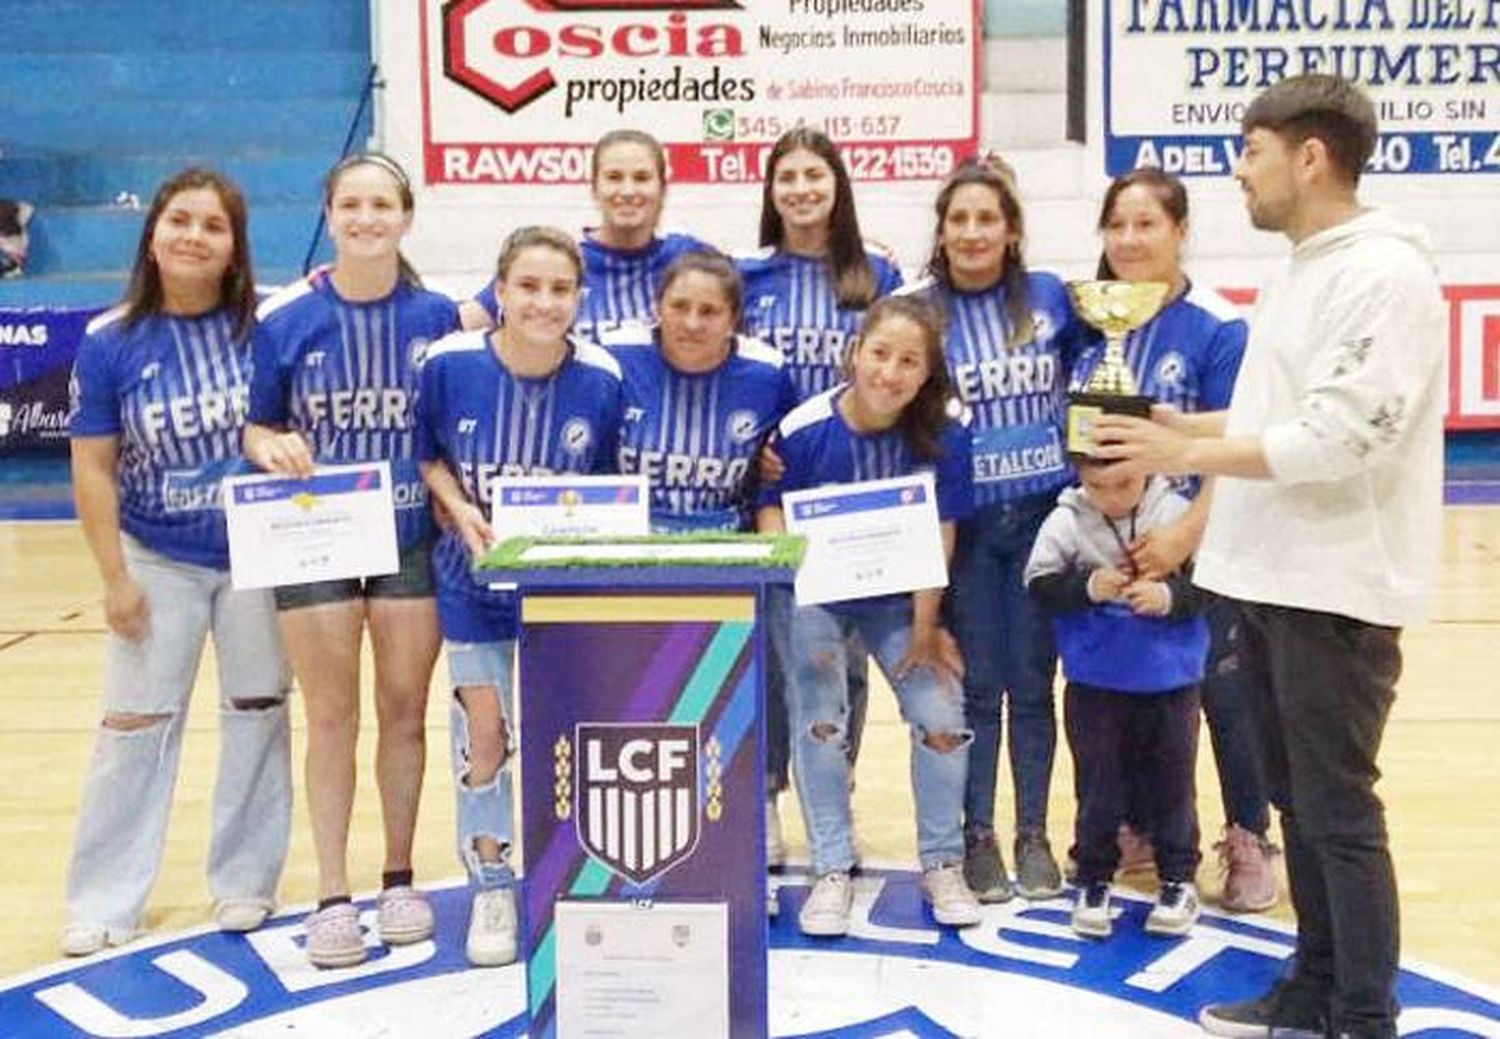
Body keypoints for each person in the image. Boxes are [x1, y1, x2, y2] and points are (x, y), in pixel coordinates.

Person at [1093, 74, 1446, 1039]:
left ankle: (1364, 1014)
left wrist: (1183, 454)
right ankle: (1312, 988)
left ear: (1310, 156)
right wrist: (1180, 422)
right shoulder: (1299, 268)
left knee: (1336, 811)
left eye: (1249, 153)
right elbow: (1270, 417)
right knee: (1296, 802)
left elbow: (1339, 438)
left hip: (1336, 583)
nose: (1238, 174)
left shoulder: (1385, 275)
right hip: (1269, 576)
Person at [63, 168, 291, 955]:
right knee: (133, 727)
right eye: (180, 219)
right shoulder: (109, 339)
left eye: (213, 225)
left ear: (235, 249)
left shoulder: (268, 328)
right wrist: (114, 578)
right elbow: (93, 465)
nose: (194, 235)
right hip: (155, 555)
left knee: (258, 713)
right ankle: (101, 900)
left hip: (258, 555)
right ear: (153, 234)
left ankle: (245, 882)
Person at [244, 153, 460, 969]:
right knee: (331, 716)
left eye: (382, 204)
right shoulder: (287, 315)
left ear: (406, 217)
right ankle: (333, 893)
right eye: (351, 204)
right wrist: (271, 445)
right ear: (329, 214)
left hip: (409, 538)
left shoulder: (438, 315)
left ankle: (398, 876)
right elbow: (254, 426)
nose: (367, 218)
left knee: (403, 712)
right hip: (318, 536)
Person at [416, 226, 624, 967]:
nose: (543, 301)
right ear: (498, 291)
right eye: (527, 286)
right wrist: (457, 503)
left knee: (566, 734)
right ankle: (492, 879)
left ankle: (572, 869)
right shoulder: (447, 364)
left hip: (562, 593)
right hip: (469, 581)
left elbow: (608, 488)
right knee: (485, 734)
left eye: (560, 289)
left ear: (578, 297)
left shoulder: (601, 379)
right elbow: (426, 452)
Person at [757, 294, 981, 937]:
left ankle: (942, 862)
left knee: (940, 712)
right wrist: (801, 573)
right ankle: (831, 866)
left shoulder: (944, 434)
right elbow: (770, 509)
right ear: (854, 353)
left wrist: (925, 627)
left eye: (909, 361)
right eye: (880, 353)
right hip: (816, 594)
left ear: (927, 371)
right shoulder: (802, 429)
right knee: (820, 719)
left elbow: (941, 532)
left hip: (902, 603)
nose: (890, 372)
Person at [1080, 167, 1273, 911]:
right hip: (1116, 543)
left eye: (1147, 224)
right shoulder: (1092, 320)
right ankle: (1143, 825)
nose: (1129, 240)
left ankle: (1250, 836)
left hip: (1205, 544)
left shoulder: (1220, 327)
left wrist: (1188, 530)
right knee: (1127, 689)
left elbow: (1242, 440)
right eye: (1117, 225)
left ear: (1181, 231)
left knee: (1225, 693)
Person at [905, 155, 1084, 903]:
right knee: (976, 689)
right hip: (968, 529)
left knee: (1034, 687)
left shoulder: (1052, 299)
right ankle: (977, 834)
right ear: (942, 234)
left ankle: (1034, 833)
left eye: (987, 219)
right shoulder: (918, 307)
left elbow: (1087, 378)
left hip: (1042, 520)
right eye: (959, 220)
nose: (972, 232)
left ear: (1011, 231)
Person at [737, 128, 903, 862]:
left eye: (815, 175)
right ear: (771, 193)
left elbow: (908, 370)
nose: (802, 189)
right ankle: (768, 798)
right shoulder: (747, 280)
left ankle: (836, 800)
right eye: (788, 177)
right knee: (778, 659)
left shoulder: (877, 276)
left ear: (838, 185)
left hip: (856, 497)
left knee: (849, 666)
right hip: (776, 493)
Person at [1024, 459, 1208, 940]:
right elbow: (1039, 584)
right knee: (1098, 785)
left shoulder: (1176, 512)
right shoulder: (1065, 520)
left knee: (1173, 784)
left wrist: (1169, 598)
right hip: (1096, 680)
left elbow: (1210, 583)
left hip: (1171, 681)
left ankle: (1178, 877)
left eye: (1123, 483)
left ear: (1146, 470)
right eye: (1096, 486)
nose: (1110, 497)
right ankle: (1094, 878)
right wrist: (1086, 587)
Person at [610, 249, 796, 532]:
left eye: (709, 311)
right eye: (679, 306)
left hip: (728, 549)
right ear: (657, 307)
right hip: (628, 546)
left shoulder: (767, 372)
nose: (692, 323)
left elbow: (784, 462)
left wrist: (773, 457)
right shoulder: (616, 357)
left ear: (733, 318)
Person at [460, 129, 710, 339]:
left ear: (663, 188)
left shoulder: (687, 258)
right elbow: (466, 321)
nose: (628, 190)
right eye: (614, 177)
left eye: (642, 178)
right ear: (594, 188)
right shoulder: (562, 261)